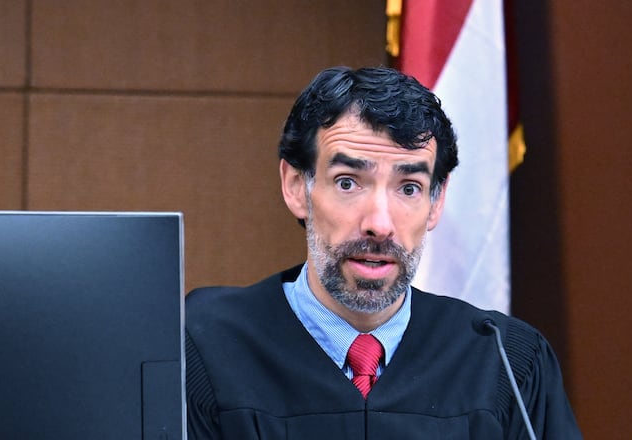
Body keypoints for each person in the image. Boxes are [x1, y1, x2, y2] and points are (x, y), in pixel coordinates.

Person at [185, 66, 582, 439]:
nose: (380, 223)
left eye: (408, 187)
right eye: (348, 182)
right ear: (295, 187)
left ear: (437, 201)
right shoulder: (203, 350)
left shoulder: (504, 362)